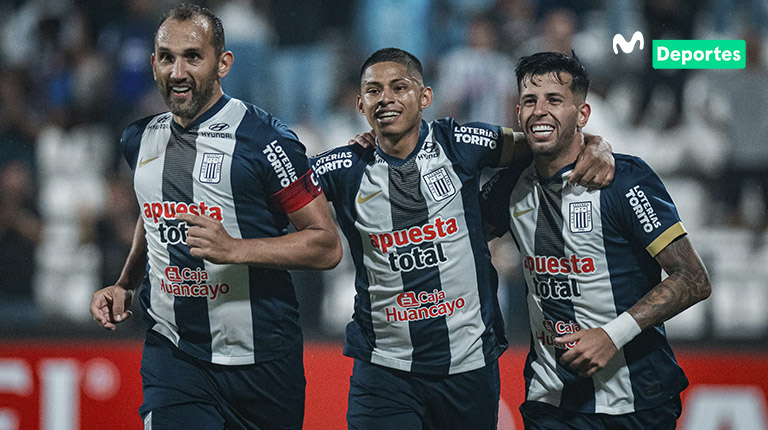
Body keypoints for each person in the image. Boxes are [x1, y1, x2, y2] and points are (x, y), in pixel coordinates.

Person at [311, 47, 614, 430]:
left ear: (425, 98)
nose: (385, 98)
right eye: (373, 91)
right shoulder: (344, 166)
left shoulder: (461, 143)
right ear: (360, 103)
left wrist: (595, 143)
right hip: (384, 369)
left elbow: (546, 143)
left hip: (468, 368)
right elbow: (280, 190)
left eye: (398, 87)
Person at [89, 4, 342, 429]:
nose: (178, 70)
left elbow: (326, 244)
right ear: (153, 64)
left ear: (223, 63)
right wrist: (125, 284)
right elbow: (152, 214)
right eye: (167, 57)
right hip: (176, 353)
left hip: (263, 359)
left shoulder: (266, 140)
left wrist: (234, 249)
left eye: (193, 56)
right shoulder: (139, 140)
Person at [481, 52, 711, 429]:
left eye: (554, 100)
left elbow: (693, 279)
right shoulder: (510, 185)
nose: (539, 111)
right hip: (551, 402)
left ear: (582, 115)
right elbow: (455, 233)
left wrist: (611, 335)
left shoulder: (624, 180)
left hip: (636, 400)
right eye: (529, 101)